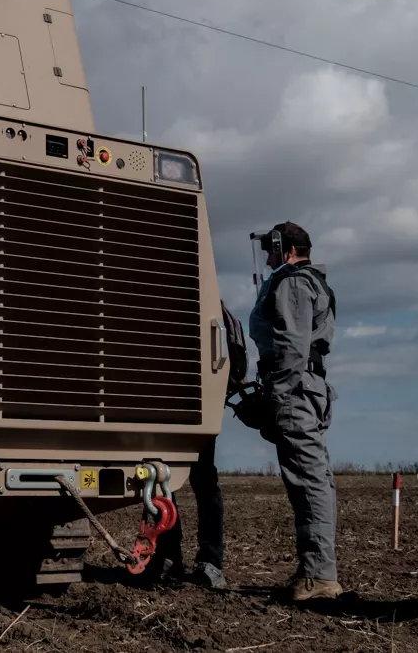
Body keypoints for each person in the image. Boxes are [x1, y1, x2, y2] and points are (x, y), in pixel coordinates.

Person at [250, 221, 340, 601]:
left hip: (295, 389)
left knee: (308, 480)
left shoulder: (293, 282)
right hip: (304, 388)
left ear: (284, 249)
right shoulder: (309, 280)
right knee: (312, 478)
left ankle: (319, 576)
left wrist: (276, 396)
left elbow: (292, 345)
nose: (266, 259)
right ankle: (316, 570)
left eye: (270, 250)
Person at [148, 299, 248, 589]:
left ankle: (181, 557)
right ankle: (197, 560)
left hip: (181, 409)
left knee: (165, 481)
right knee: (172, 483)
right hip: (191, 408)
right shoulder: (218, 308)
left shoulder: (210, 308)